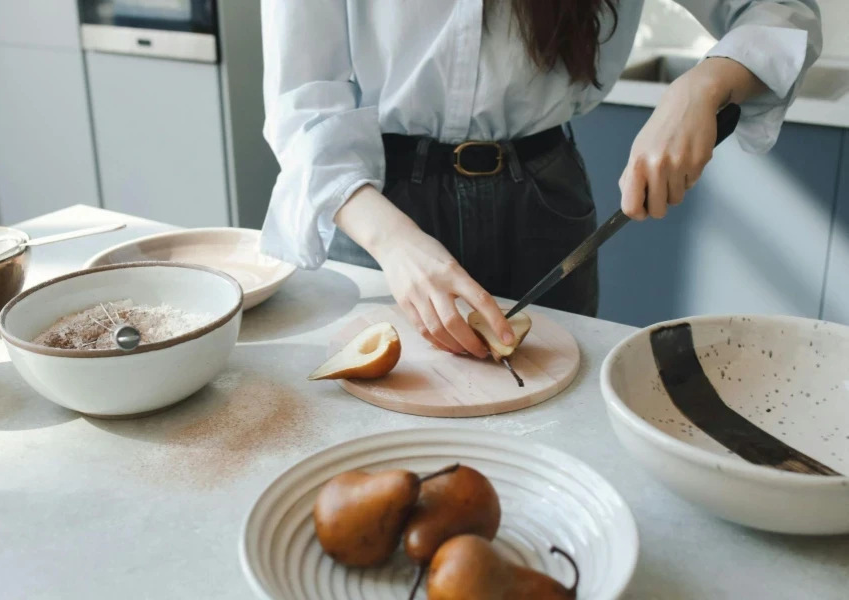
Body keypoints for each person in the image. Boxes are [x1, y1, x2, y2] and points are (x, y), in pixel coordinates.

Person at [258, 0, 821, 359]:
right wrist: (395, 244)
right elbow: (304, 103)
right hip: (374, 207)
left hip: (543, 205)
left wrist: (704, 85)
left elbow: (781, 11)